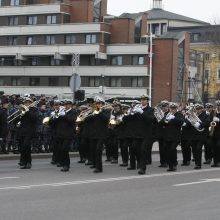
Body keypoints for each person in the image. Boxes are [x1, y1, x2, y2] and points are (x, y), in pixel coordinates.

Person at [89, 96, 111, 173]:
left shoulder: (106, 110)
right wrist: (90, 113)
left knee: (98, 149)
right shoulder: (94, 111)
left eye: (99, 103)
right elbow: (89, 121)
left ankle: (99, 168)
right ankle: (95, 164)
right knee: (93, 149)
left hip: (102, 134)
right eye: (97, 103)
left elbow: (106, 119)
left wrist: (100, 112)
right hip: (94, 133)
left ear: (102, 103)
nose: (98, 104)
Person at [160, 102, 184, 172]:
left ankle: (174, 164)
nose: (172, 110)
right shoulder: (167, 114)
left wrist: (174, 118)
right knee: (167, 150)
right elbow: (161, 123)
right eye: (171, 108)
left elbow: (181, 122)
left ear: (176, 109)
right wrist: (166, 119)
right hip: (167, 136)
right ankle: (171, 166)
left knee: (172, 149)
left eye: (174, 108)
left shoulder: (179, 114)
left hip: (176, 136)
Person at [15, 97, 38, 169]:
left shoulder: (34, 110)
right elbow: (14, 122)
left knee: (26, 146)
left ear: (31, 103)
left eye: (28, 102)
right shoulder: (22, 110)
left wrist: (27, 111)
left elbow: (34, 119)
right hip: (22, 131)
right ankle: (24, 163)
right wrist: (20, 115)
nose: (26, 103)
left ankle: (29, 162)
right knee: (22, 147)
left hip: (30, 131)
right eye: (25, 102)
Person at [189, 104, 210, 169]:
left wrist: (200, 124)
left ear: (202, 109)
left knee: (198, 149)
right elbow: (189, 123)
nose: (197, 110)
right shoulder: (193, 115)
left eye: (199, 109)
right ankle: (196, 163)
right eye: (197, 109)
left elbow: (207, 123)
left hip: (201, 135)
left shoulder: (205, 115)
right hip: (194, 135)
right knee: (194, 150)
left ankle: (198, 164)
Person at [210, 100, 220, 167]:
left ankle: (218, 161)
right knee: (214, 148)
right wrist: (210, 127)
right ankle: (215, 162)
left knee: (218, 146)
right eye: (217, 105)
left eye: (219, 105)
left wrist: (219, 120)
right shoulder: (213, 112)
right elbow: (210, 120)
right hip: (214, 132)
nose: (218, 107)